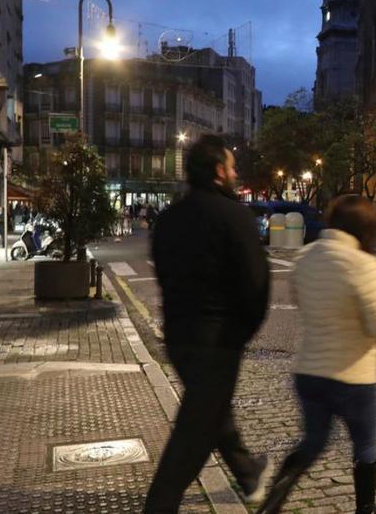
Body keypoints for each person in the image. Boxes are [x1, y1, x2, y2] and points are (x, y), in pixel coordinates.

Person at [144, 135, 273, 512]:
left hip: (179, 340)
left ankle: (248, 473)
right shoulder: (235, 216)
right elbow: (256, 285)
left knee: (213, 410)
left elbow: (165, 278)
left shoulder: (167, 221)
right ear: (219, 172)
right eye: (232, 167)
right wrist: (239, 335)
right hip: (217, 342)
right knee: (191, 439)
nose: (235, 173)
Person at [257, 195, 376, 514]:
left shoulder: (305, 257)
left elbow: (301, 302)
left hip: (309, 371)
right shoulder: (364, 264)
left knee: (312, 443)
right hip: (353, 374)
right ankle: (366, 508)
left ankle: (272, 503)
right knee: (366, 446)